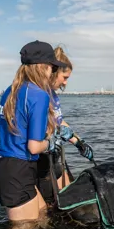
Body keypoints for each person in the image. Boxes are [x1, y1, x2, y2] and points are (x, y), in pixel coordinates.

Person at [0, 40, 68, 224]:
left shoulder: (11, 90)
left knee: (42, 216)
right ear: (43, 67)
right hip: (18, 169)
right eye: (51, 67)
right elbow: (33, 147)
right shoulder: (39, 94)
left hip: (2, 164)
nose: (52, 72)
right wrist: (52, 142)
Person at [36, 46, 94, 204]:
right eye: (65, 77)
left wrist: (79, 142)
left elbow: (59, 121)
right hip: (42, 160)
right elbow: (43, 129)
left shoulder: (52, 95)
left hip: (54, 155)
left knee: (68, 197)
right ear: (54, 71)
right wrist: (57, 132)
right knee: (50, 207)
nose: (65, 82)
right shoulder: (40, 95)